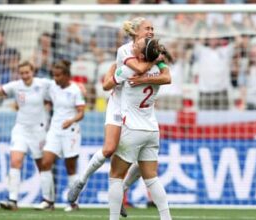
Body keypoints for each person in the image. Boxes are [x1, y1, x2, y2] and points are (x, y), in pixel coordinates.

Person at [67, 17, 164, 213]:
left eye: (153, 28)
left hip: (138, 109)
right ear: (136, 32)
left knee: (144, 162)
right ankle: (81, 181)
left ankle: (122, 190)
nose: (151, 31)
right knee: (109, 148)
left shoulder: (152, 49)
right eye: (147, 28)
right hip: (119, 106)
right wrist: (156, 59)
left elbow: (165, 76)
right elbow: (137, 68)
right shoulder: (125, 50)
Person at [0, 61, 51, 210]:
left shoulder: (43, 83)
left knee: (42, 165)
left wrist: (77, 87)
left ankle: (48, 201)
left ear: (33, 71)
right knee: (15, 161)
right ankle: (12, 200)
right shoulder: (16, 86)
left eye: (27, 72)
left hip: (38, 130)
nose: (25, 76)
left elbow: (60, 88)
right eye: (22, 73)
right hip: (21, 129)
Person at [103, 38, 172, 220]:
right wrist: (157, 61)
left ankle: (113, 218)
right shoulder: (159, 71)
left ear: (141, 55)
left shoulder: (127, 70)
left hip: (132, 130)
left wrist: (111, 70)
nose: (132, 46)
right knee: (151, 178)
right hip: (151, 130)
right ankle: (166, 218)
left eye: (136, 46)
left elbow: (106, 85)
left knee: (116, 176)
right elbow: (167, 76)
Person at [34, 60, 85, 212]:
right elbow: (47, 100)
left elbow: (81, 112)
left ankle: (73, 203)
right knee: (45, 163)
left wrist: (71, 120)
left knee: (70, 168)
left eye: (58, 76)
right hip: (55, 130)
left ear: (67, 75)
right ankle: (48, 200)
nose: (56, 79)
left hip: (70, 131)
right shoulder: (53, 88)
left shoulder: (75, 90)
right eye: (54, 76)